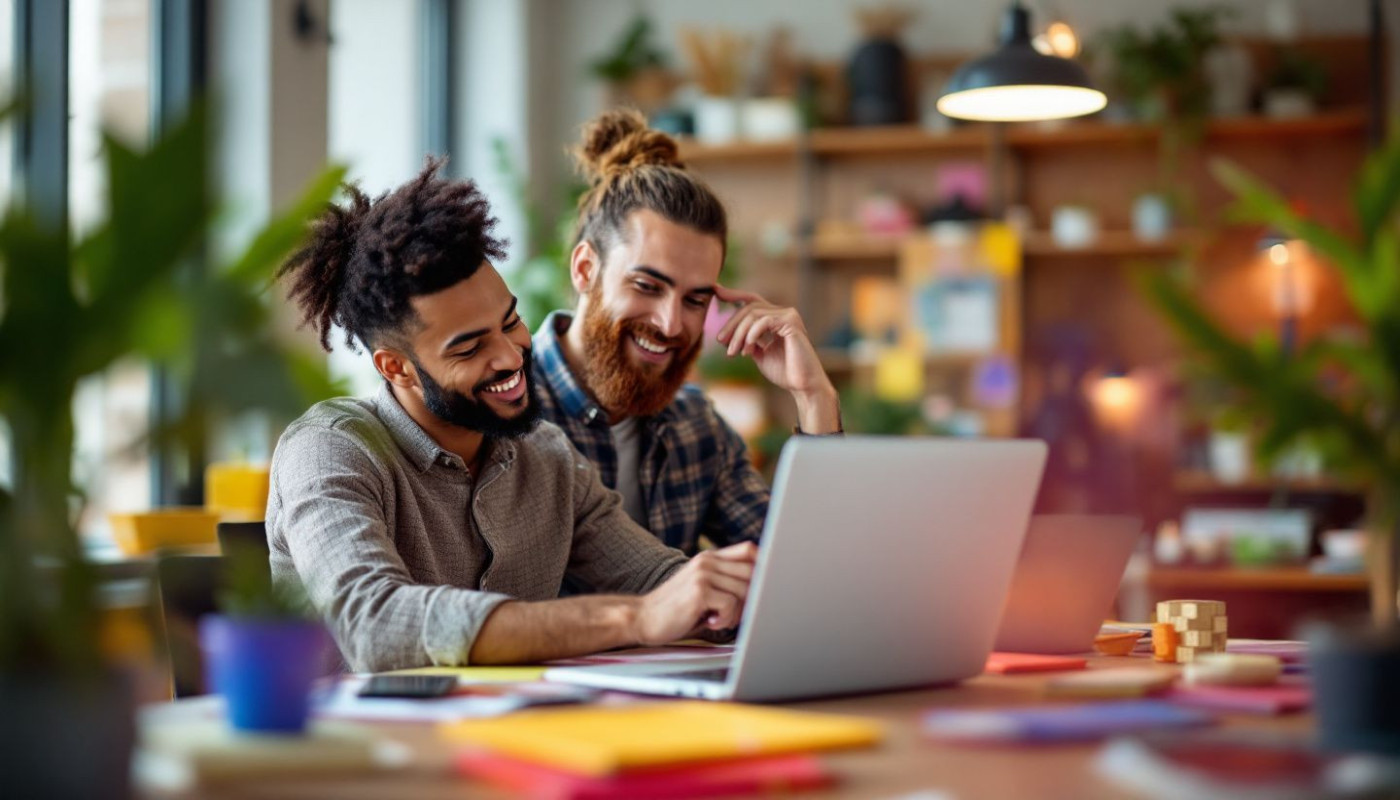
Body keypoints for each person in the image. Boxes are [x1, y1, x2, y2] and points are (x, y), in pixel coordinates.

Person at [267, 162, 756, 672]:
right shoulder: (329, 448)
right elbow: (374, 624)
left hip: (502, 738)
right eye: (471, 347)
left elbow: (662, 585)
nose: (510, 356)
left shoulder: (545, 456)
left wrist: (733, 593)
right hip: (351, 745)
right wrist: (634, 619)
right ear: (398, 368)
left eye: (510, 322)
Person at [532, 109, 840, 555]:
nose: (671, 324)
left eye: (695, 299)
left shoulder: (694, 427)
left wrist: (814, 397)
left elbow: (807, 562)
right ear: (585, 270)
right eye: (647, 286)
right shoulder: (501, 413)